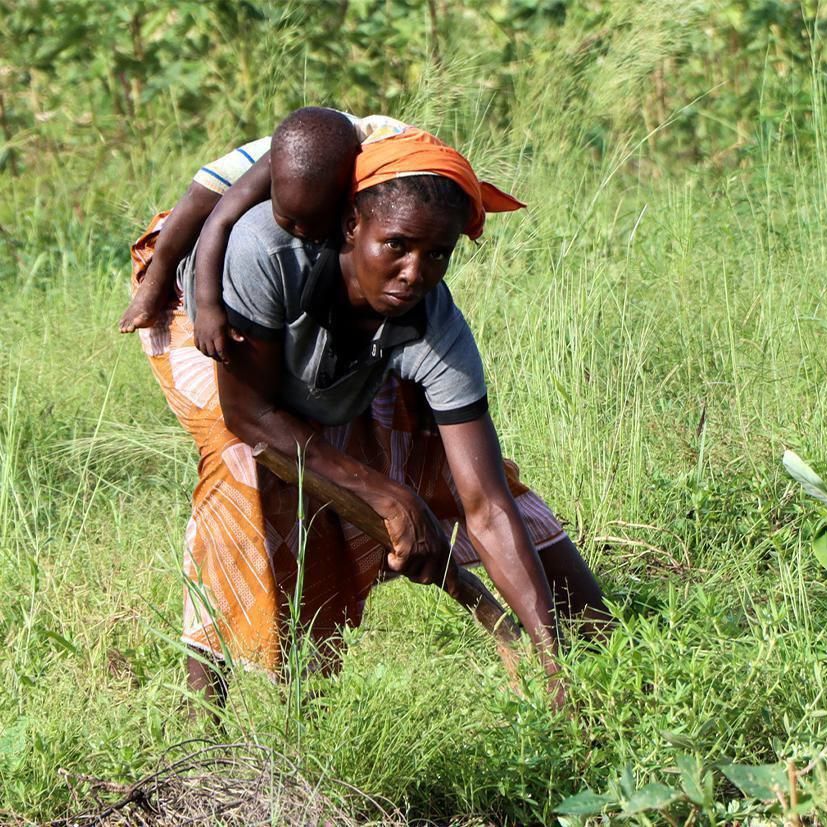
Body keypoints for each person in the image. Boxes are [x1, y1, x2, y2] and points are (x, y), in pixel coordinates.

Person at [129, 109, 609, 706]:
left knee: (418, 462)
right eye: (398, 246)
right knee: (248, 467)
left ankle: (584, 649)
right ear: (351, 224)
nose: (415, 274)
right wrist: (387, 496)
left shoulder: (435, 324)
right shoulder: (266, 245)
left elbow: (484, 503)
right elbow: (250, 415)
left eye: (437, 255)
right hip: (209, 326)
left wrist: (550, 660)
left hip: (330, 363)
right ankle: (201, 721)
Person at [120, 108, 409, 363]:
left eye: (313, 221)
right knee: (201, 197)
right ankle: (155, 279)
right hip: (287, 149)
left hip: (333, 148)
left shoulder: (376, 167)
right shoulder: (272, 161)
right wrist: (207, 306)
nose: (301, 232)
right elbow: (219, 221)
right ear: (271, 185)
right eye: (289, 219)